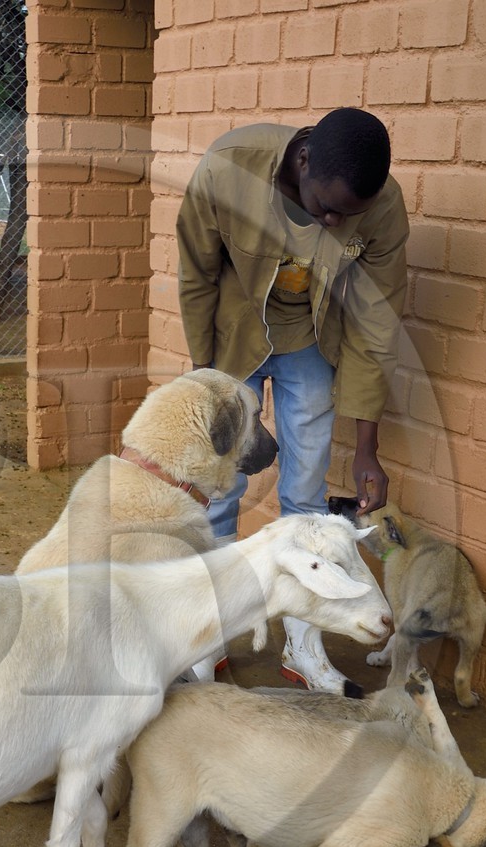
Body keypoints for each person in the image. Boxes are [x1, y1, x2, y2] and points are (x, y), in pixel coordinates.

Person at [175, 107, 409, 694]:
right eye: (324, 206)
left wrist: (366, 448)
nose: (332, 222)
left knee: (306, 501)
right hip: (236, 339)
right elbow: (197, 275)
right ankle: (208, 642)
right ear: (301, 160)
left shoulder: (381, 207)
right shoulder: (229, 168)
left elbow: (376, 325)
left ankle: (303, 650)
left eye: (344, 216)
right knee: (219, 491)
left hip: (312, 340)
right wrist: (209, 382)